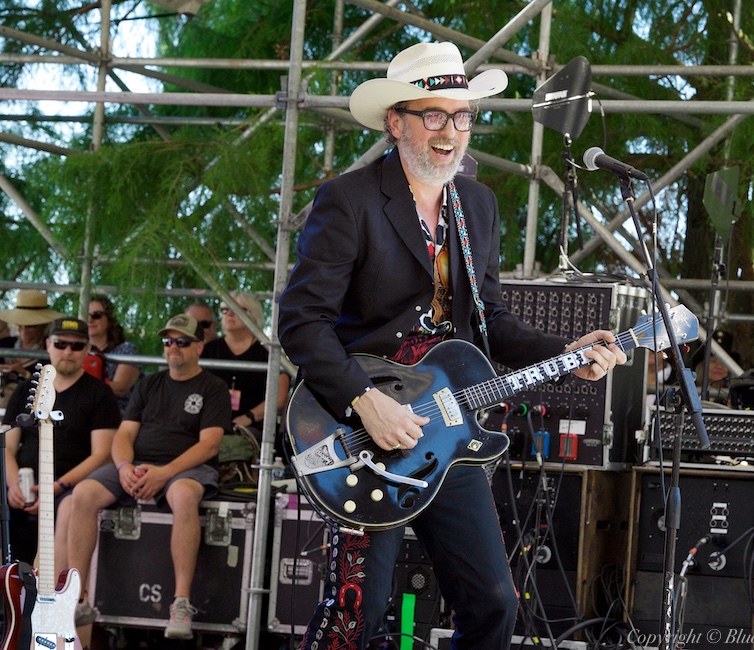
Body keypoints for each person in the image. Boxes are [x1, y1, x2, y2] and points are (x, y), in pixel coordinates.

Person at [277, 41, 628, 648]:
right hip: (364, 428)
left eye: (462, 117)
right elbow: (301, 323)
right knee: (359, 610)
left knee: (494, 602)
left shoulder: (477, 205)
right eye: (433, 115)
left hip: (446, 427)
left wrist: (570, 348)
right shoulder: (350, 200)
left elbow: (491, 321)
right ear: (396, 121)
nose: (450, 132)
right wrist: (365, 401)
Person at [64, 314, 230, 638]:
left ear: (199, 346)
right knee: (82, 494)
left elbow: (210, 445)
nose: (173, 347)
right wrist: (125, 467)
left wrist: (165, 472)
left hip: (184, 468)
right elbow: (123, 435)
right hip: (138, 463)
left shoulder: (213, 387)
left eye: (182, 341)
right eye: (168, 341)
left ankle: (180, 604)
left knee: (183, 495)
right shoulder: (149, 383)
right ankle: (78, 597)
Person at [2, 317, 120, 573]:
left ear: (87, 349)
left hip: (69, 487)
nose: (68, 351)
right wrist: (13, 485)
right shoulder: (25, 390)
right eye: (61, 343)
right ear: (48, 344)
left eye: (77, 346)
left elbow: (102, 455)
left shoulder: (100, 394)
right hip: (22, 486)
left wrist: (55, 488)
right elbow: (7, 446)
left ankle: (58, 597)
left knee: (70, 508)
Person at [201, 292, 289, 430]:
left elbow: (280, 397)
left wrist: (249, 417)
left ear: (254, 316)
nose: (229, 314)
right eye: (225, 309)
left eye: (237, 309)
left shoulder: (269, 353)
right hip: (209, 426)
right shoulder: (208, 350)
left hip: (253, 429)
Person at [87, 294, 141, 410]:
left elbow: (119, 389)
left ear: (109, 319)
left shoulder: (126, 350)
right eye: (86, 315)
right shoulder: (76, 349)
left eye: (96, 315)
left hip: (116, 413)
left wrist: (81, 384)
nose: (90, 320)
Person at [0, 289, 65, 380]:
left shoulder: (52, 349)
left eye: (30, 326)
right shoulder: (4, 344)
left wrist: (25, 374)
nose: (23, 330)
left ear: (43, 325)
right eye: (19, 325)